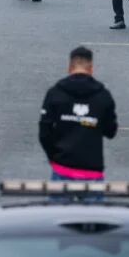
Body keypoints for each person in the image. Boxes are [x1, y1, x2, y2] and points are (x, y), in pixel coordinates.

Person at [39, 46, 118, 181]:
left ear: (70, 68)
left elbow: (44, 132)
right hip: (92, 169)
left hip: (63, 166)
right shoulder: (103, 95)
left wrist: (54, 157)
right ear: (91, 69)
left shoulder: (55, 93)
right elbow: (111, 131)